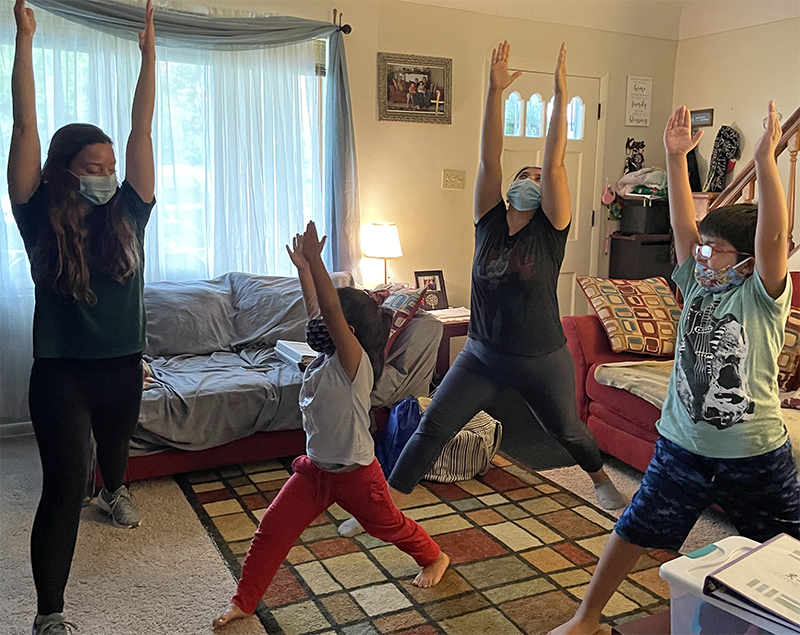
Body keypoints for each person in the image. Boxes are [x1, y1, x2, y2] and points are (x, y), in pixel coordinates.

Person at [338, 41, 624, 538]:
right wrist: (494, 92)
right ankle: (381, 512)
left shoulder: (549, 232)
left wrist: (560, 94)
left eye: (539, 179)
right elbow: (488, 158)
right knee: (432, 429)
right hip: (482, 354)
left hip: (541, 357)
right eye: (526, 176)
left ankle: (601, 481)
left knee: (569, 431)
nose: (533, 181)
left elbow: (555, 164)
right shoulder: (488, 221)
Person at [549, 102, 800, 635]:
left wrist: (767, 163)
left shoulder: (761, 296)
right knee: (636, 525)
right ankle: (586, 617)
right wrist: (673, 154)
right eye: (702, 248)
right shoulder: (696, 284)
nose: (700, 256)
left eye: (715, 250)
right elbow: (682, 223)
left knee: (785, 549)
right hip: (681, 444)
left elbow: (774, 238)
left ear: (747, 260)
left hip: (753, 455)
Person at [212, 221, 450, 629]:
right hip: (316, 470)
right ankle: (243, 601)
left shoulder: (352, 365)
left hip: (357, 475)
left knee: (389, 526)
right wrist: (305, 269)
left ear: (349, 333)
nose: (319, 320)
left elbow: (331, 311)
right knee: (271, 530)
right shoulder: (326, 358)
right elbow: (318, 310)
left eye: (330, 319)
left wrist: (321, 264)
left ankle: (434, 555)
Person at [9, 0, 156, 632]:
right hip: (61, 373)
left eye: (110, 168)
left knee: (114, 460)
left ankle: (114, 487)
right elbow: (23, 127)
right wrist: (23, 43)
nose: (106, 176)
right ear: (64, 172)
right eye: (91, 169)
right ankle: (50, 616)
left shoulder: (129, 211)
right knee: (64, 484)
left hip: (124, 368)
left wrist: (149, 58)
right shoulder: (37, 215)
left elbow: (141, 131)